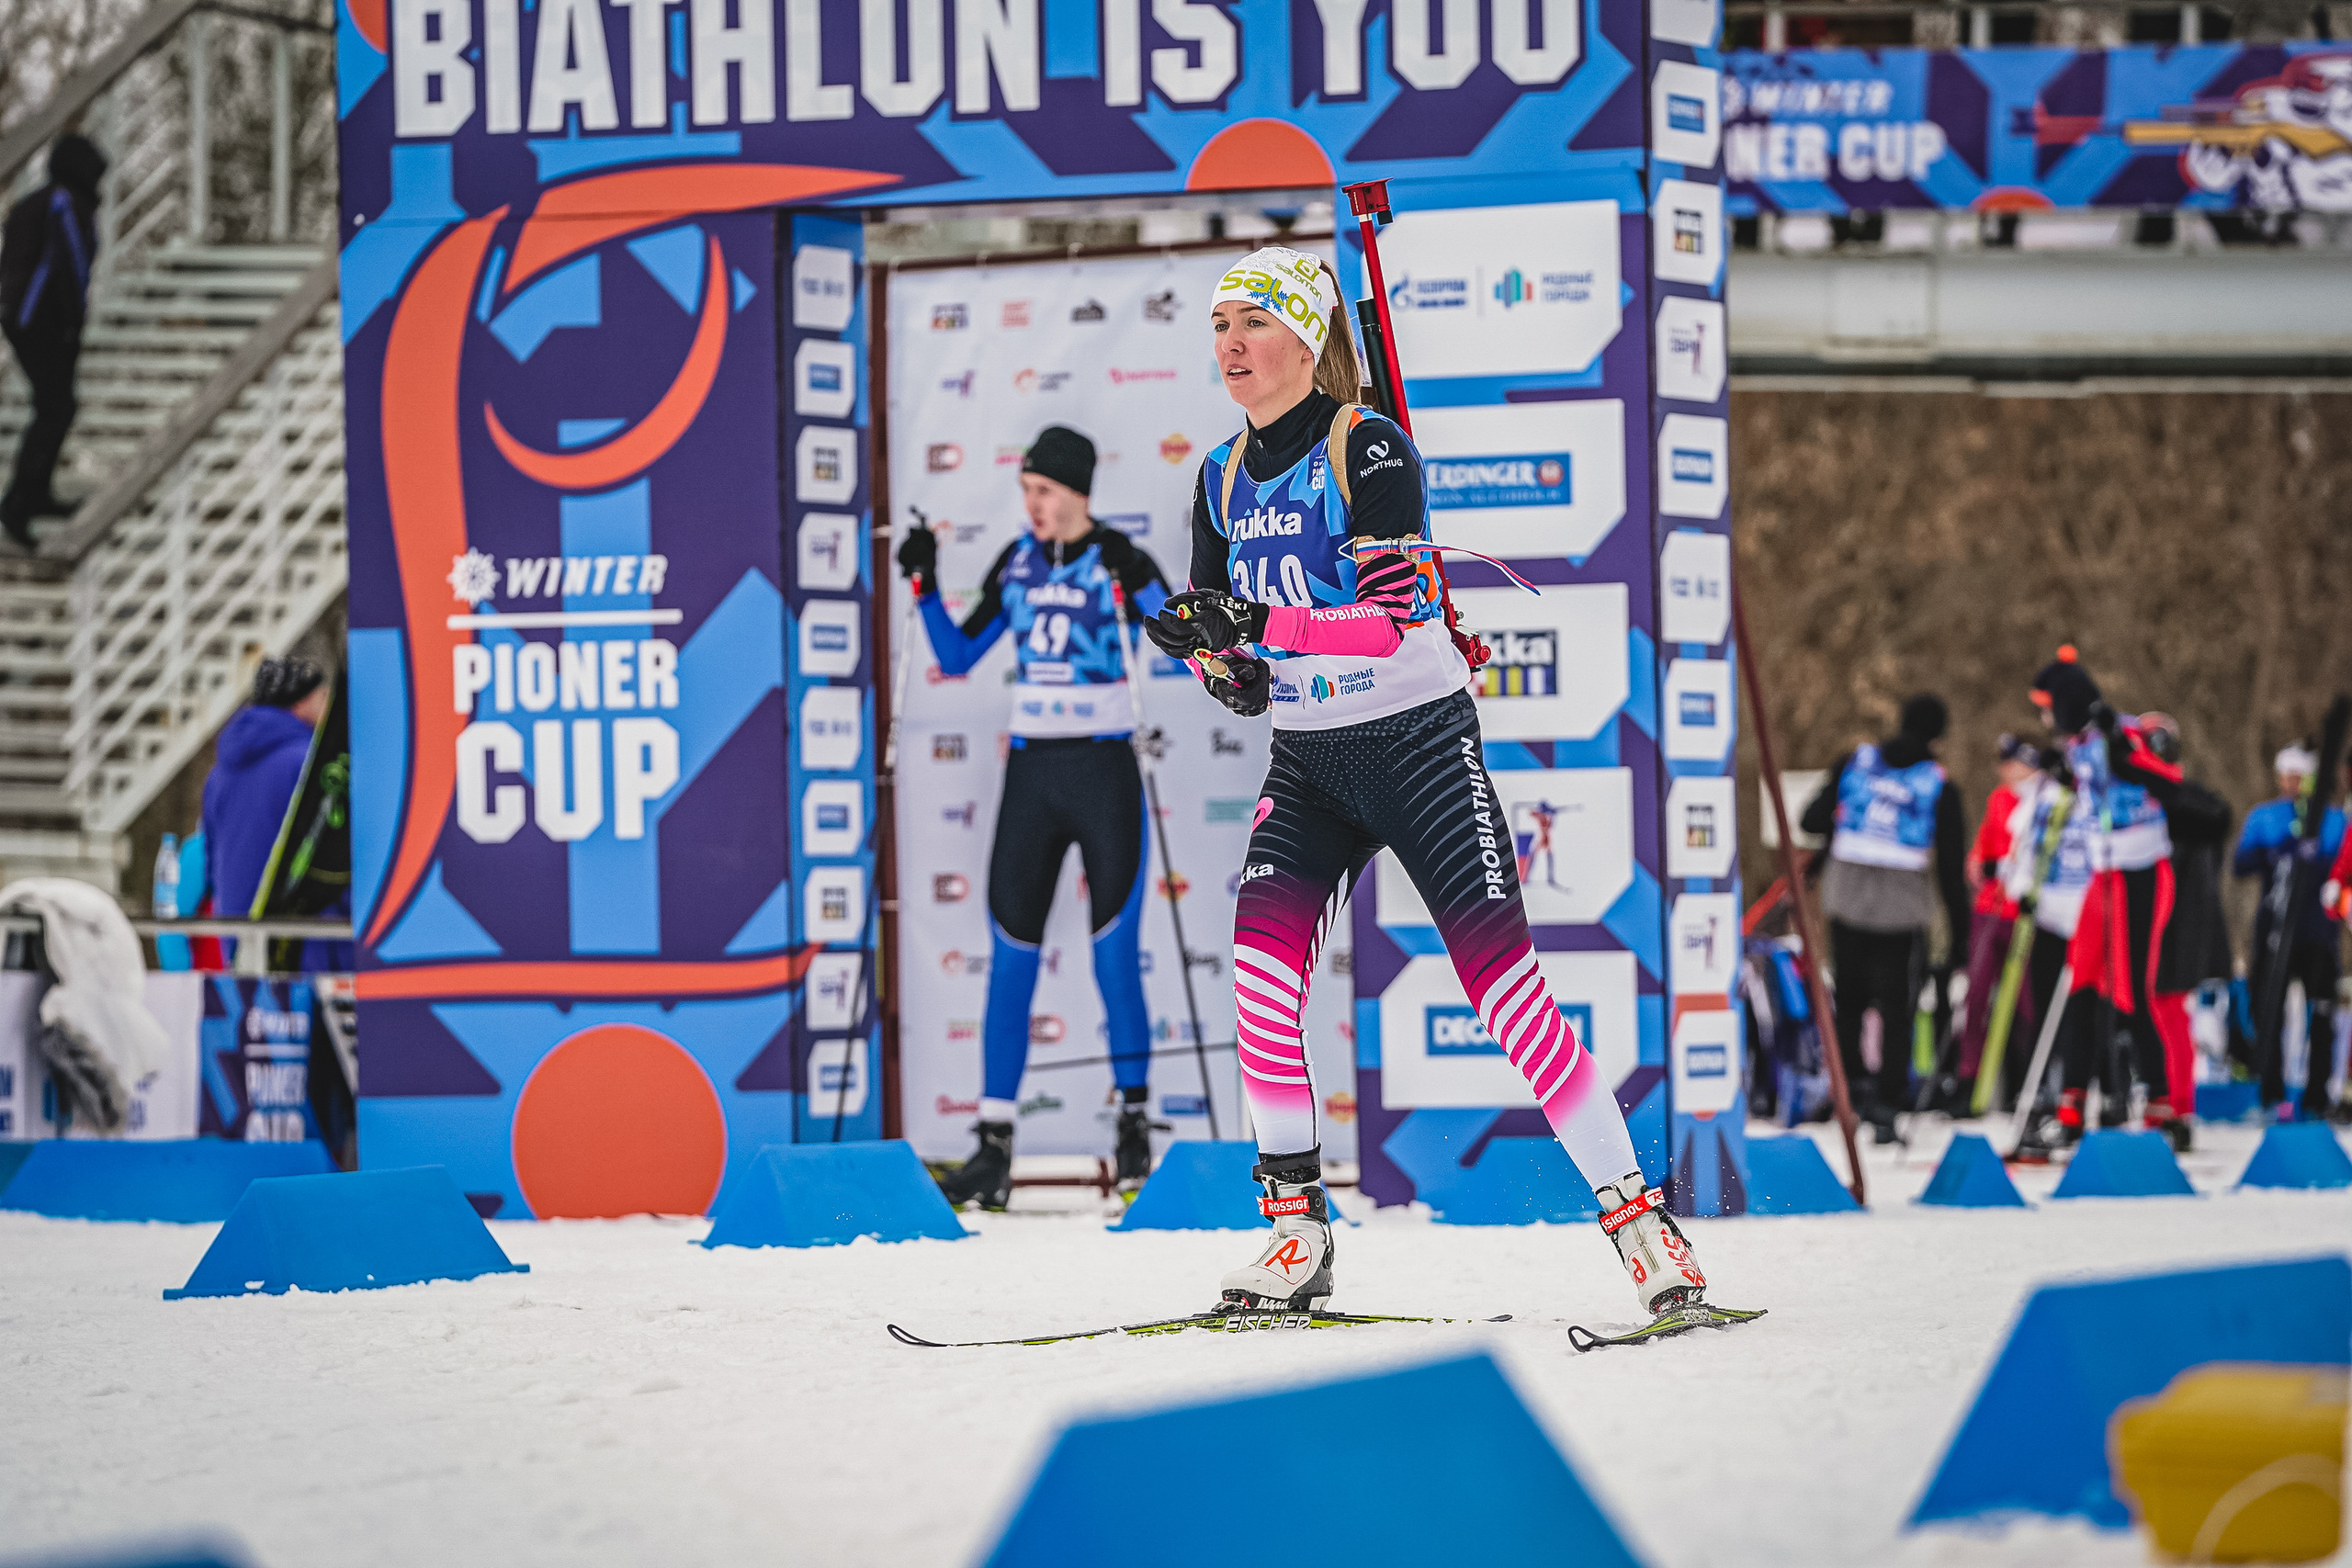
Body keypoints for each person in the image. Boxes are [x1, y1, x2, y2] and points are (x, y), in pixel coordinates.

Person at [1145, 245, 1715, 1324]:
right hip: (1310, 758)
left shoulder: (1367, 447)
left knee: (1509, 997)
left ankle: (1645, 1229)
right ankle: (1294, 1235)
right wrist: (1208, 652)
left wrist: (1258, 625)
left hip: (1415, 743)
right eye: (1219, 327)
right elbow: (1245, 683)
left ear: (1306, 342)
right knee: (1261, 986)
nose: (1230, 345)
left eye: (1253, 325)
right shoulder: (1217, 476)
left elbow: (1394, 614)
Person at [896, 425, 1172, 1208]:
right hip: (1031, 773)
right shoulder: (1016, 560)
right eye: (1025, 491)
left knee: (1115, 953)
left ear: (1079, 492)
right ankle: (993, 1145)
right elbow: (956, 653)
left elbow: (1187, 646)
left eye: (1044, 492)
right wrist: (924, 582)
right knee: (1011, 951)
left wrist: (1167, 595)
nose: (1033, 505)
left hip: (1103, 767)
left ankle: (1133, 1130)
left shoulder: (1119, 559)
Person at [1798, 694, 1973, 1142]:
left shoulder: (1856, 763)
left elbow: (1811, 820)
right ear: (1937, 736)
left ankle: (1849, 1088)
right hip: (1901, 910)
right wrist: (1961, 935)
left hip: (1847, 899)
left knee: (1850, 1002)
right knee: (1898, 1011)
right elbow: (1952, 870)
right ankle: (1887, 1103)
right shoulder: (1937, 785)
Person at [2030, 649, 2184, 1142]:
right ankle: (2073, 1098)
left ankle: (2160, 1099)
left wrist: (2122, 749)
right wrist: (2063, 773)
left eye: (2047, 705)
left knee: (2132, 988)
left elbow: (2169, 779)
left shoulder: (2123, 730)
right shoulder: (2077, 742)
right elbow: (2086, 787)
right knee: (2083, 980)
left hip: (2140, 867)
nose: (2044, 716)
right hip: (2103, 872)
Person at [0, 134, 107, 549]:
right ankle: (20, 500)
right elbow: (73, 263)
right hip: (39, 318)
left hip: (25, 315)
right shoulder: (65, 203)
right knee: (57, 406)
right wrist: (72, 322)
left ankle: (30, 494)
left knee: (55, 406)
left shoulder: (39, 200)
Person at [201, 657, 339, 969]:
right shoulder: (310, 764)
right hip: (304, 938)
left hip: (239, 933)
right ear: (301, 702)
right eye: (322, 696)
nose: (328, 705)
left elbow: (210, 859)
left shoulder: (219, 774)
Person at [2139, 714, 2233, 1148]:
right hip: (2161, 919)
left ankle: (2177, 1105)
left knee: (2169, 1011)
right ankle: (2164, 1101)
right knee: (2154, 1012)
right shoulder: (2147, 803)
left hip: (2179, 923)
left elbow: (2215, 824)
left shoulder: (2182, 803)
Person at [2238, 741, 2346, 1118]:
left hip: (2318, 933)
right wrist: (2275, 850)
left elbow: (2342, 865)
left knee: (2321, 1014)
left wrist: (2317, 857)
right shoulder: (2265, 816)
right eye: (2286, 776)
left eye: (2299, 777)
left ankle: (2317, 1096)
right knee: (2269, 1010)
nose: (2292, 784)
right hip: (2275, 929)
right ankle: (2270, 1092)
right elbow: (2241, 863)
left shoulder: (2333, 819)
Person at [1955, 735, 2041, 1109]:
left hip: (2026, 916)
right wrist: (1988, 869)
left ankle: (2026, 1084)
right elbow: (1978, 861)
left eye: (2013, 764)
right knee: (1976, 997)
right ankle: (1969, 1082)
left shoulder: (2046, 802)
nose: (2005, 771)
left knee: (2025, 1002)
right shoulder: (1999, 799)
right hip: (1991, 911)